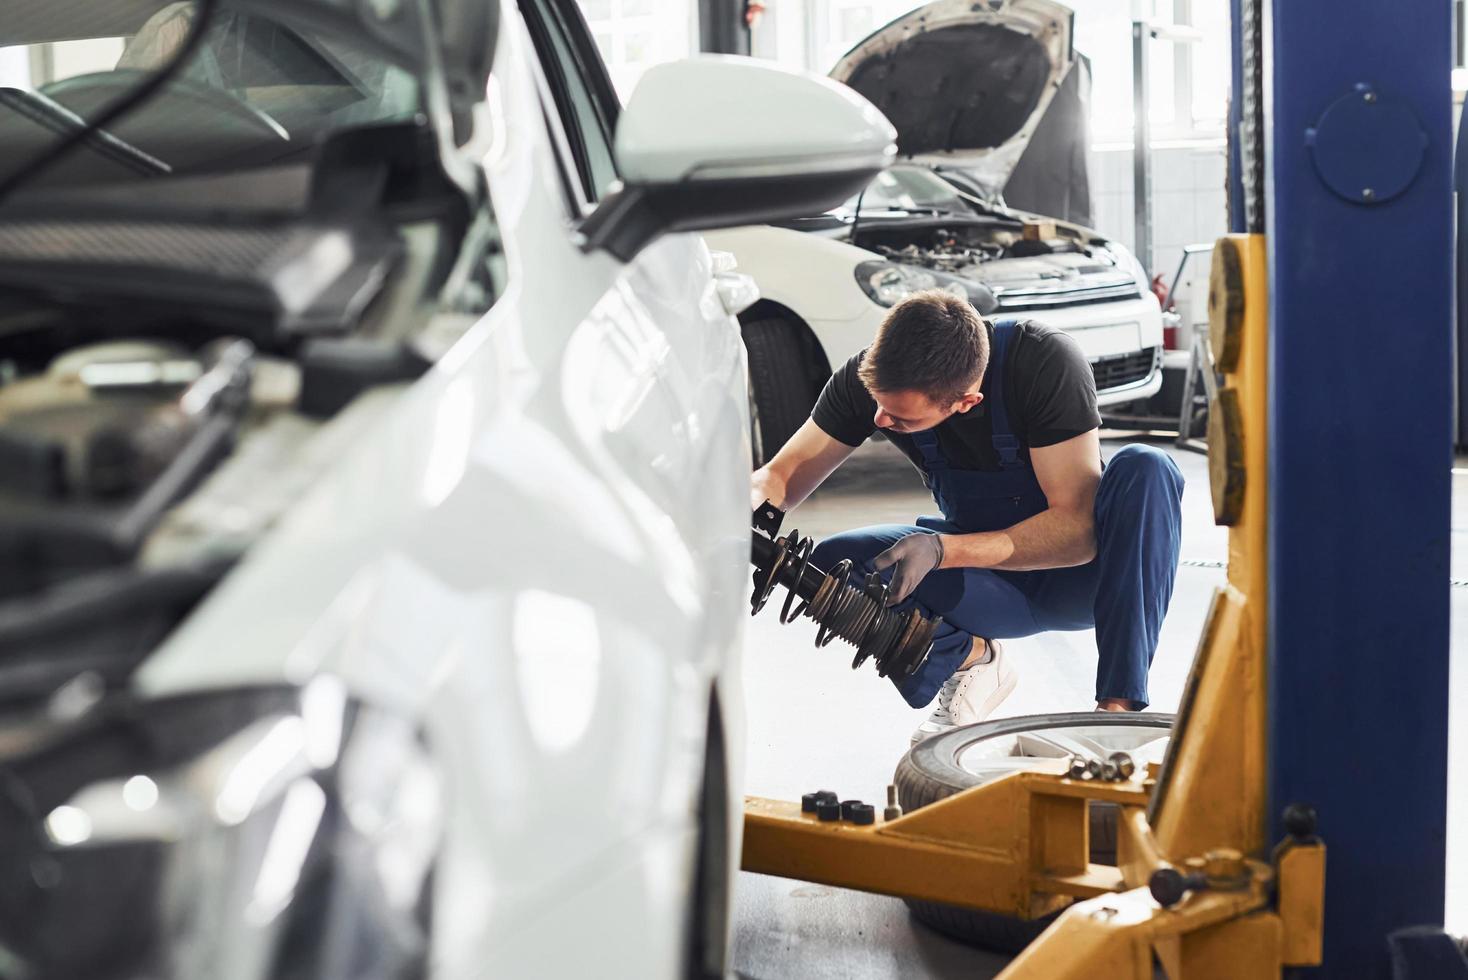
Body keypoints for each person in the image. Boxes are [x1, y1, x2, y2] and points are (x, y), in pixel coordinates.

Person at [750, 290, 1184, 743]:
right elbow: (781, 476)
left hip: (1086, 581)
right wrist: (742, 507)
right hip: (990, 587)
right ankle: (971, 659)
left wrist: (942, 549)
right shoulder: (878, 379)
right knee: (833, 565)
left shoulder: (1042, 361)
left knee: (1146, 468)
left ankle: (1116, 711)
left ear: (966, 403)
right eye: (878, 404)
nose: (879, 420)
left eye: (901, 419)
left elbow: (1076, 532)